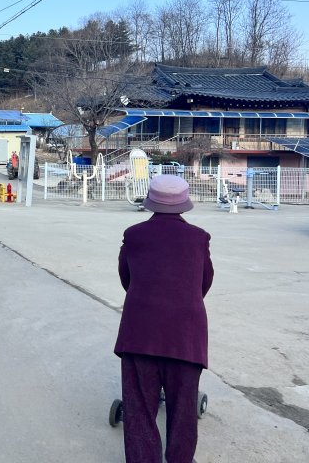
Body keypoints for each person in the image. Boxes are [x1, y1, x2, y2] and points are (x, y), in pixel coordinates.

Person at [114, 174, 214, 463]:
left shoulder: (133, 234)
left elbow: (127, 278)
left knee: (140, 408)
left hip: (139, 332)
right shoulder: (198, 238)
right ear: (184, 204)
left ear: (151, 202)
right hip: (186, 335)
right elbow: (203, 284)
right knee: (183, 409)